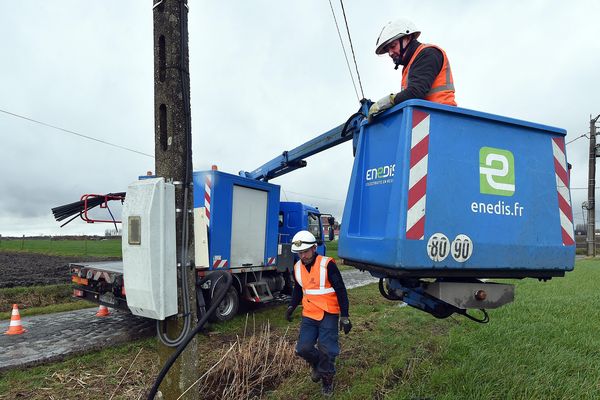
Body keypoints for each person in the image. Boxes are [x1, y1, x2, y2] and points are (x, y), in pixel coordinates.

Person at [285, 230, 351, 397]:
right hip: (309, 313)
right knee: (303, 349)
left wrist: (345, 315)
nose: (303, 256)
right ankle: (317, 365)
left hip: (328, 312)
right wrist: (292, 306)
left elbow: (341, 289)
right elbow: (298, 289)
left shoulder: (327, 264)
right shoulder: (297, 267)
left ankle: (327, 380)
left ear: (314, 248)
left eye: (305, 251)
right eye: (299, 253)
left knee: (328, 350)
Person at [369, 18, 457, 118]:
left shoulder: (428, 53)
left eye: (393, 46)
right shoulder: (410, 64)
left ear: (408, 37)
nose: (390, 53)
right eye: (387, 50)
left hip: (441, 117)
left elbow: (415, 92)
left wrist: (388, 101)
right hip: (427, 118)